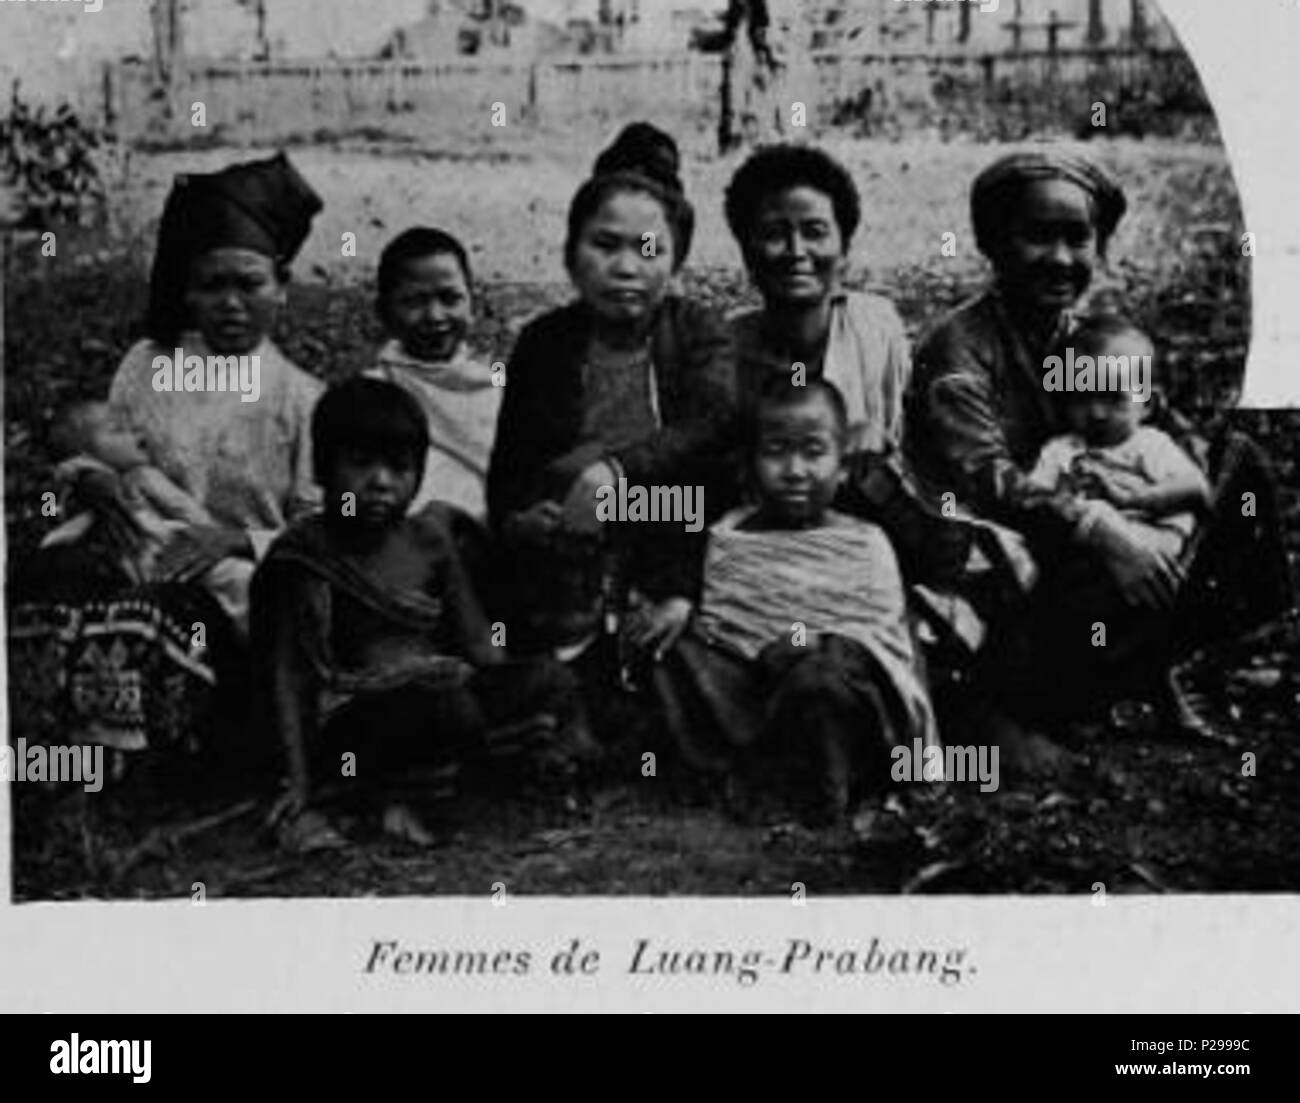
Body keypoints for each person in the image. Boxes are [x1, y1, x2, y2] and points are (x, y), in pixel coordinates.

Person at [905, 149, 1290, 739]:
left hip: (1096, 523)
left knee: (1242, 470)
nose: (1060, 259)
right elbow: (988, 481)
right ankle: (1073, 682)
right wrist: (1102, 528)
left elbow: (1157, 419)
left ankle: (1150, 662)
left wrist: (1173, 489)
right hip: (1005, 565)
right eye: (1037, 237)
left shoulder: (1079, 336)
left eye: (1077, 238)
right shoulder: (958, 353)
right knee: (1090, 571)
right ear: (992, 243)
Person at [8, 152, 324, 755]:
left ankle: (165, 752)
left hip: (240, 590)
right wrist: (94, 483)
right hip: (141, 551)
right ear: (188, 290)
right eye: (213, 285)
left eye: (250, 284)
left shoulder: (302, 399)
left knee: (167, 614)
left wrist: (229, 541)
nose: (231, 303)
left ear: (281, 287)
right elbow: (108, 452)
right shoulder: (148, 368)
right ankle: (58, 751)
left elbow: (319, 527)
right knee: (47, 575)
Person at [253, 378, 596, 852]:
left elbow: (479, 647)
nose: (381, 483)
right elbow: (290, 676)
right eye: (360, 465)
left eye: (400, 468)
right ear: (321, 469)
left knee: (548, 680)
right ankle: (400, 798)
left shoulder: (429, 543)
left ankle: (488, 777)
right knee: (445, 711)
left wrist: (534, 680)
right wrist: (300, 783)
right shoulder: (303, 555)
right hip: (354, 720)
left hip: (444, 695)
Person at [487, 122, 737, 673]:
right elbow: (511, 468)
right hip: (565, 553)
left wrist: (617, 474)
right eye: (604, 245)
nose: (626, 267)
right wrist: (520, 519)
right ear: (571, 255)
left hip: (677, 529)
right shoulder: (545, 342)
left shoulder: (699, 332)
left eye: (648, 249)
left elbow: (713, 424)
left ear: (675, 260)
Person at [649, 377, 938, 821]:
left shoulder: (865, 541)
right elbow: (721, 629)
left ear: (842, 466)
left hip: (835, 689)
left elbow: (884, 645)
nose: (795, 470)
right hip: (748, 692)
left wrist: (807, 643)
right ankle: (751, 769)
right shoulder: (727, 536)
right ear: (748, 464)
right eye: (776, 451)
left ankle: (823, 785)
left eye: (814, 452)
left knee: (820, 678)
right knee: (676, 653)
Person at [39, 399, 254, 631]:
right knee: (244, 581)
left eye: (132, 428)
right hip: (162, 559)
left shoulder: (141, 478)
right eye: (118, 430)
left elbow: (196, 520)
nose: (136, 435)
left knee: (242, 581)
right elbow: (56, 490)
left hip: (174, 554)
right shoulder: (102, 481)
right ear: (87, 452)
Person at [1026, 318, 1210, 563]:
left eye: (1114, 398)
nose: (1097, 413)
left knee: (1097, 513)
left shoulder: (1150, 444)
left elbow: (1198, 488)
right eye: (1082, 398)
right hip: (1090, 545)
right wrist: (1060, 496)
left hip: (1153, 541)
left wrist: (1136, 498)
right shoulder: (1060, 449)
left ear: (1147, 404)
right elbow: (1034, 498)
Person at [365, 227, 501, 523]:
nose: (435, 316)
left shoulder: (500, 393)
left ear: (472, 302)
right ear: (383, 312)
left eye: (450, 298)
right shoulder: (369, 394)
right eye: (414, 302)